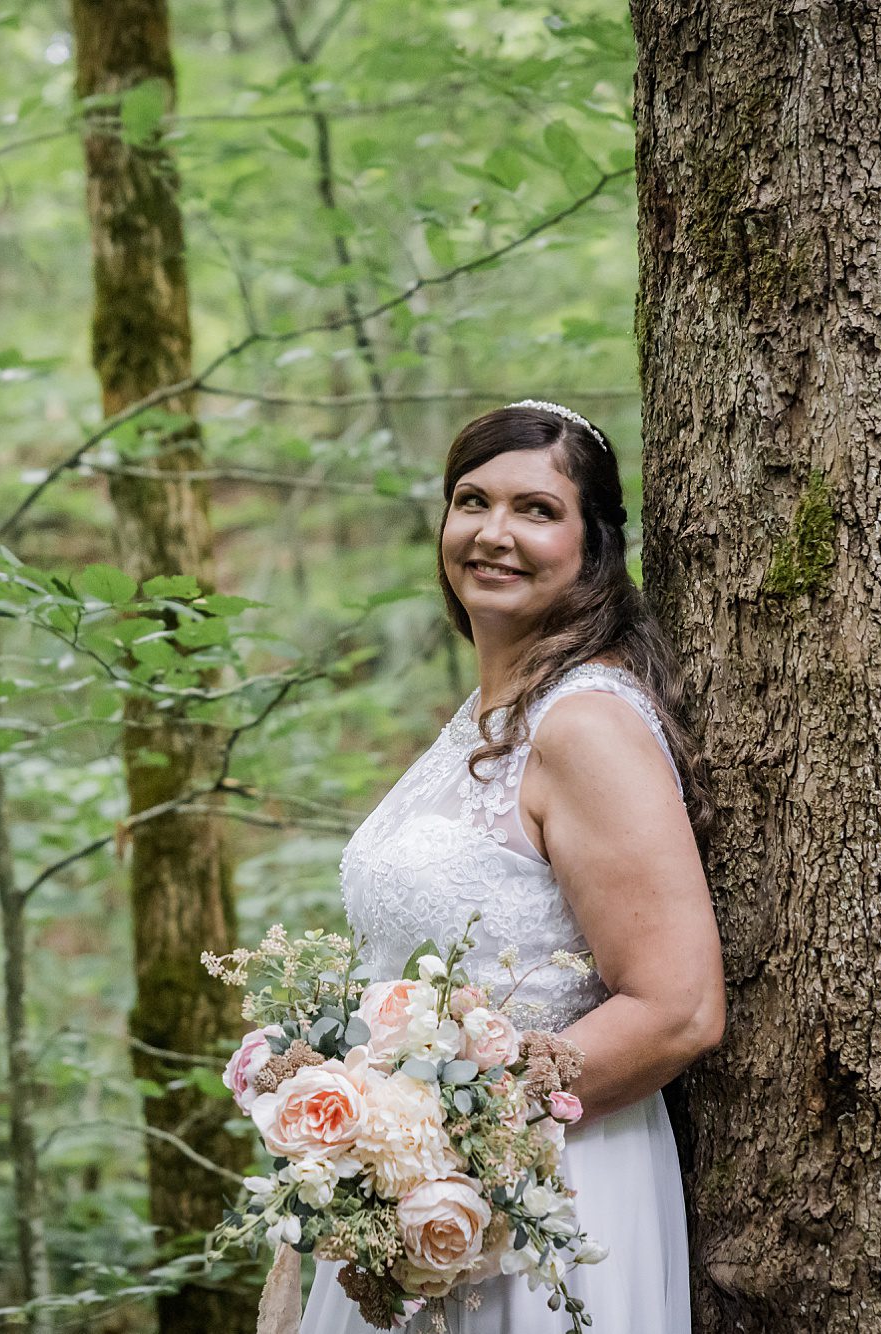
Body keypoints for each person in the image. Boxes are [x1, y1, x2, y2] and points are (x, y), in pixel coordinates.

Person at [296, 402, 726, 1334]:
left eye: (535, 509)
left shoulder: (585, 726)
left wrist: (440, 1132)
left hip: (544, 1196)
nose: (493, 533)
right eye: (471, 501)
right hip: (420, 1185)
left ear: (595, 543)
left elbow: (679, 1009)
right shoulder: (488, 715)